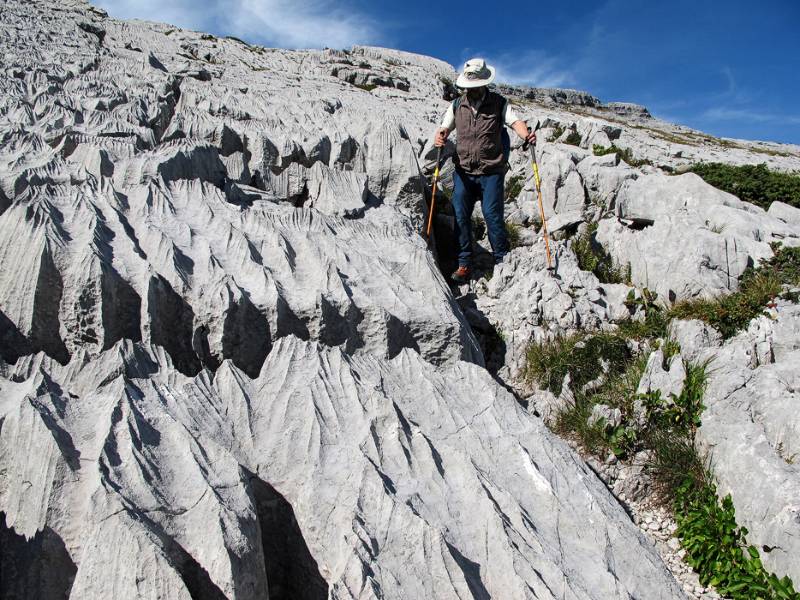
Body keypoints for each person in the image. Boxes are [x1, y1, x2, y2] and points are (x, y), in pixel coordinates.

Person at [434, 58, 536, 283]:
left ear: (483, 84)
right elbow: (444, 127)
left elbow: (515, 122)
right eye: (467, 87)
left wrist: (525, 134)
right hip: (463, 171)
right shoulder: (456, 105)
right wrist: (440, 135)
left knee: (492, 215)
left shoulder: (499, 103)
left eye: (474, 87)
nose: (470, 91)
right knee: (460, 214)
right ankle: (463, 263)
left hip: (491, 171)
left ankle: (501, 261)